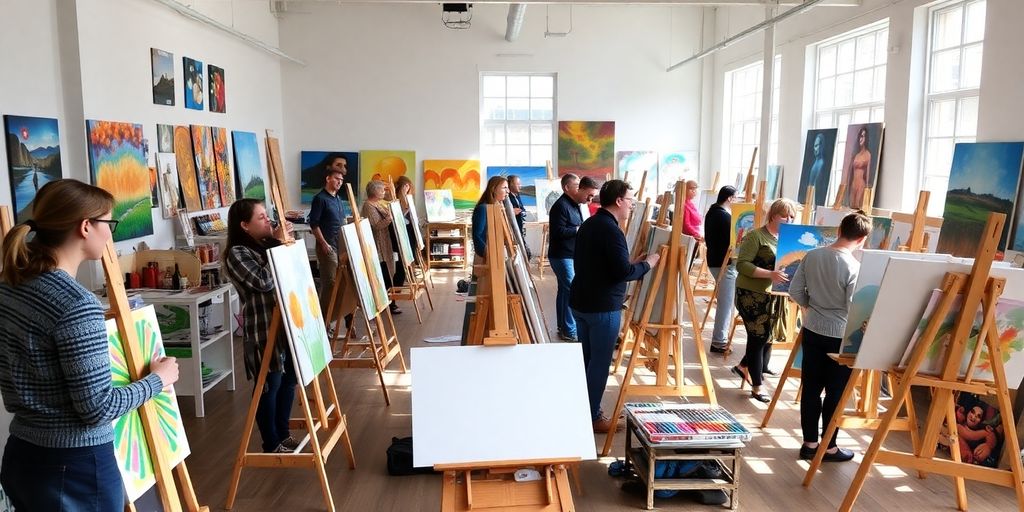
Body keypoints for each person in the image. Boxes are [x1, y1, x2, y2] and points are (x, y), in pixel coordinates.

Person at [0, 179, 180, 510]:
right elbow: (97, 409)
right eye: (109, 224)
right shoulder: (75, 304)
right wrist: (159, 380)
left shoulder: (10, 284)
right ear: (86, 227)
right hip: (73, 466)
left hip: (22, 454)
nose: (110, 234)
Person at [571, 180, 660, 433]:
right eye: (630, 200)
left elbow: (602, 265)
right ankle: (593, 417)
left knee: (587, 360)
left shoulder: (591, 223)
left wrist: (632, 262)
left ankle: (582, 410)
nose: (632, 205)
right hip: (602, 307)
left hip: (582, 302)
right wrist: (649, 263)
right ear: (619, 201)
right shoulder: (611, 230)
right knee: (599, 364)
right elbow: (622, 272)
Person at [789, 210, 871, 463]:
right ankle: (829, 446)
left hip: (813, 329)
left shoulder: (812, 256)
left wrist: (812, 308)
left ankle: (809, 444)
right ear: (862, 240)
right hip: (841, 336)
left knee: (811, 388)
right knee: (835, 392)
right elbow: (850, 305)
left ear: (839, 230)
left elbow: (794, 291)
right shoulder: (854, 267)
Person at [224, 198, 299, 454]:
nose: (268, 220)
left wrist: (285, 244)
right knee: (270, 384)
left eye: (267, 215)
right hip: (263, 329)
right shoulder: (237, 253)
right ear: (245, 225)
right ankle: (272, 442)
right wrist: (278, 245)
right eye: (261, 217)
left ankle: (284, 433)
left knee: (289, 380)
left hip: (287, 325)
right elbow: (264, 281)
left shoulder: (266, 245)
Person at [732, 198, 797, 403]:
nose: (789, 219)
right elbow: (742, 265)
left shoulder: (787, 240)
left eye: (792, 216)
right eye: (785, 215)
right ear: (773, 215)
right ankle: (757, 386)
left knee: (766, 336)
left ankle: (743, 367)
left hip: (774, 295)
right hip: (750, 294)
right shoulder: (756, 236)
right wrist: (770, 274)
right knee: (758, 337)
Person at [548, 174, 599, 342]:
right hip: (561, 256)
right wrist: (579, 230)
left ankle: (563, 327)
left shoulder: (576, 205)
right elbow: (557, 232)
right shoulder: (560, 206)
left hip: (570, 255)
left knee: (565, 291)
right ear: (567, 188)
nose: (579, 188)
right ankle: (569, 330)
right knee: (571, 290)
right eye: (577, 185)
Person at [308, 157, 348, 326]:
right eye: (336, 179)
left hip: (340, 246)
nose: (339, 182)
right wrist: (323, 243)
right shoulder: (320, 199)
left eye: (341, 180)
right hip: (328, 247)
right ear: (328, 179)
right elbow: (314, 223)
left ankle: (335, 318)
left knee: (341, 284)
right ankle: (324, 323)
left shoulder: (338, 199)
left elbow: (341, 221)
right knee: (329, 284)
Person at [704, 186, 738, 354]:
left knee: (727, 302)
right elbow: (732, 243)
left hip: (716, 261)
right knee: (726, 304)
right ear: (730, 198)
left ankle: (721, 339)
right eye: (736, 199)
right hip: (724, 264)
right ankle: (719, 341)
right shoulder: (723, 217)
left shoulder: (713, 212)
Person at [362, 180, 403, 315]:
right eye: (382, 190)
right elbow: (376, 225)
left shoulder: (378, 204)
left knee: (390, 273)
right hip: (378, 245)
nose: (384, 192)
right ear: (375, 191)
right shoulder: (368, 205)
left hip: (386, 244)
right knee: (383, 274)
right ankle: (385, 303)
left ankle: (390, 302)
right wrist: (390, 217)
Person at [471, 176, 510, 265]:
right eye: (504, 188)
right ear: (494, 189)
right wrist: (487, 253)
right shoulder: (483, 208)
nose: (508, 191)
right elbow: (477, 235)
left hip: (496, 254)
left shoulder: (497, 207)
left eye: (507, 188)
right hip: (487, 258)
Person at [844, 126, 872, 208]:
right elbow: (850, 173)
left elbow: (867, 175)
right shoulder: (856, 155)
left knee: (857, 207)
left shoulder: (868, 155)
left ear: (866, 138)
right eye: (860, 136)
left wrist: (867, 189)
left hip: (861, 184)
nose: (861, 138)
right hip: (853, 184)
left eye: (863, 136)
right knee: (851, 206)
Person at [507, 174, 531, 259]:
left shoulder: (517, 195)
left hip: (519, 227)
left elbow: (522, 209)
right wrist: (511, 212)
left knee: (526, 253)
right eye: (518, 184)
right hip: (511, 230)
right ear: (511, 185)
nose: (520, 186)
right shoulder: (506, 198)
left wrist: (522, 212)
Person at [806, 132, 829, 205]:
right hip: (810, 200)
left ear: (821, 146)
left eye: (816, 146)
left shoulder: (821, 163)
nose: (815, 148)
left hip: (816, 201)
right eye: (814, 146)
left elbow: (818, 187)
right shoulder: (815, 163)